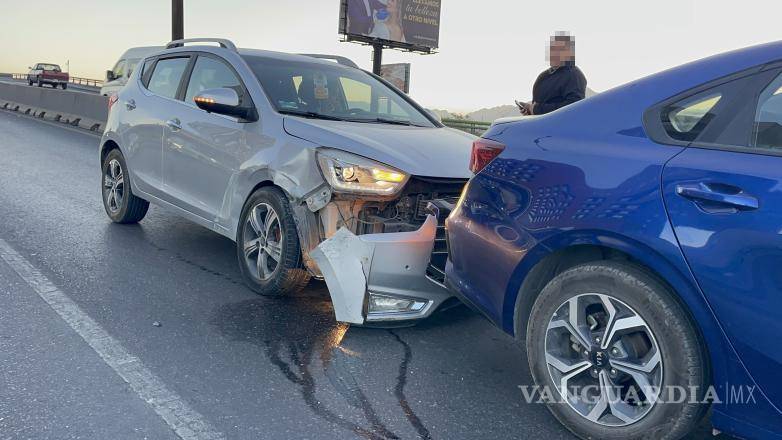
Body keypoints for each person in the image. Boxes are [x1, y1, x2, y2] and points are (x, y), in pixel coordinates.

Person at [518, 33, 587, 116]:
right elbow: (538, 105)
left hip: (559, 127)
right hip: (540, 125)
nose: (554, 53)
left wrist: (537, 110)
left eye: (559, 50)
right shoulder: (544, 76)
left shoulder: (574, 75)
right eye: (552, 49)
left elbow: (573, 108)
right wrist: (529, 111)